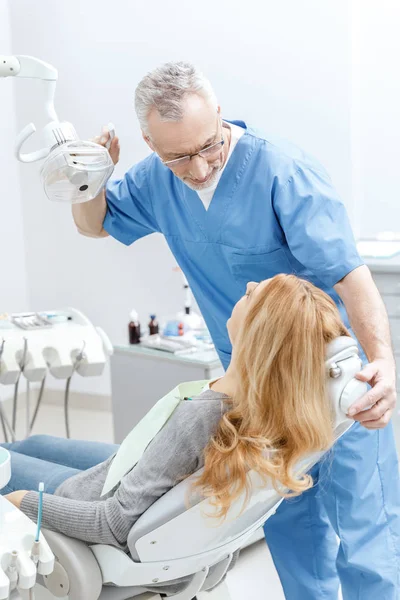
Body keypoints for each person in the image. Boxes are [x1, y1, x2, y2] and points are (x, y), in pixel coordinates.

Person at [72, 62, 400, 598]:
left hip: (330, 380)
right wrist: (88, 178)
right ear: (149, 142)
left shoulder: (283, 172)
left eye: (209, 146)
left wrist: (382, 359)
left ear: (220, 116)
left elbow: (351, 276)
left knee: (365, 528)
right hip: (253, 384)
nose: (199, 167)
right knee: (289, 521)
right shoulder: (157, 181)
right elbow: (93, 223)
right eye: (178, 156)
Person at [2, 276, 351, 591]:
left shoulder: (201, 417)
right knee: (32, 444)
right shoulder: (266, 407)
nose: (249, 285)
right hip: (123, 469)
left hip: (90, 501)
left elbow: (112, 523)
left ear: (259, 334)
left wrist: (22, 502)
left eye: (255, 294)